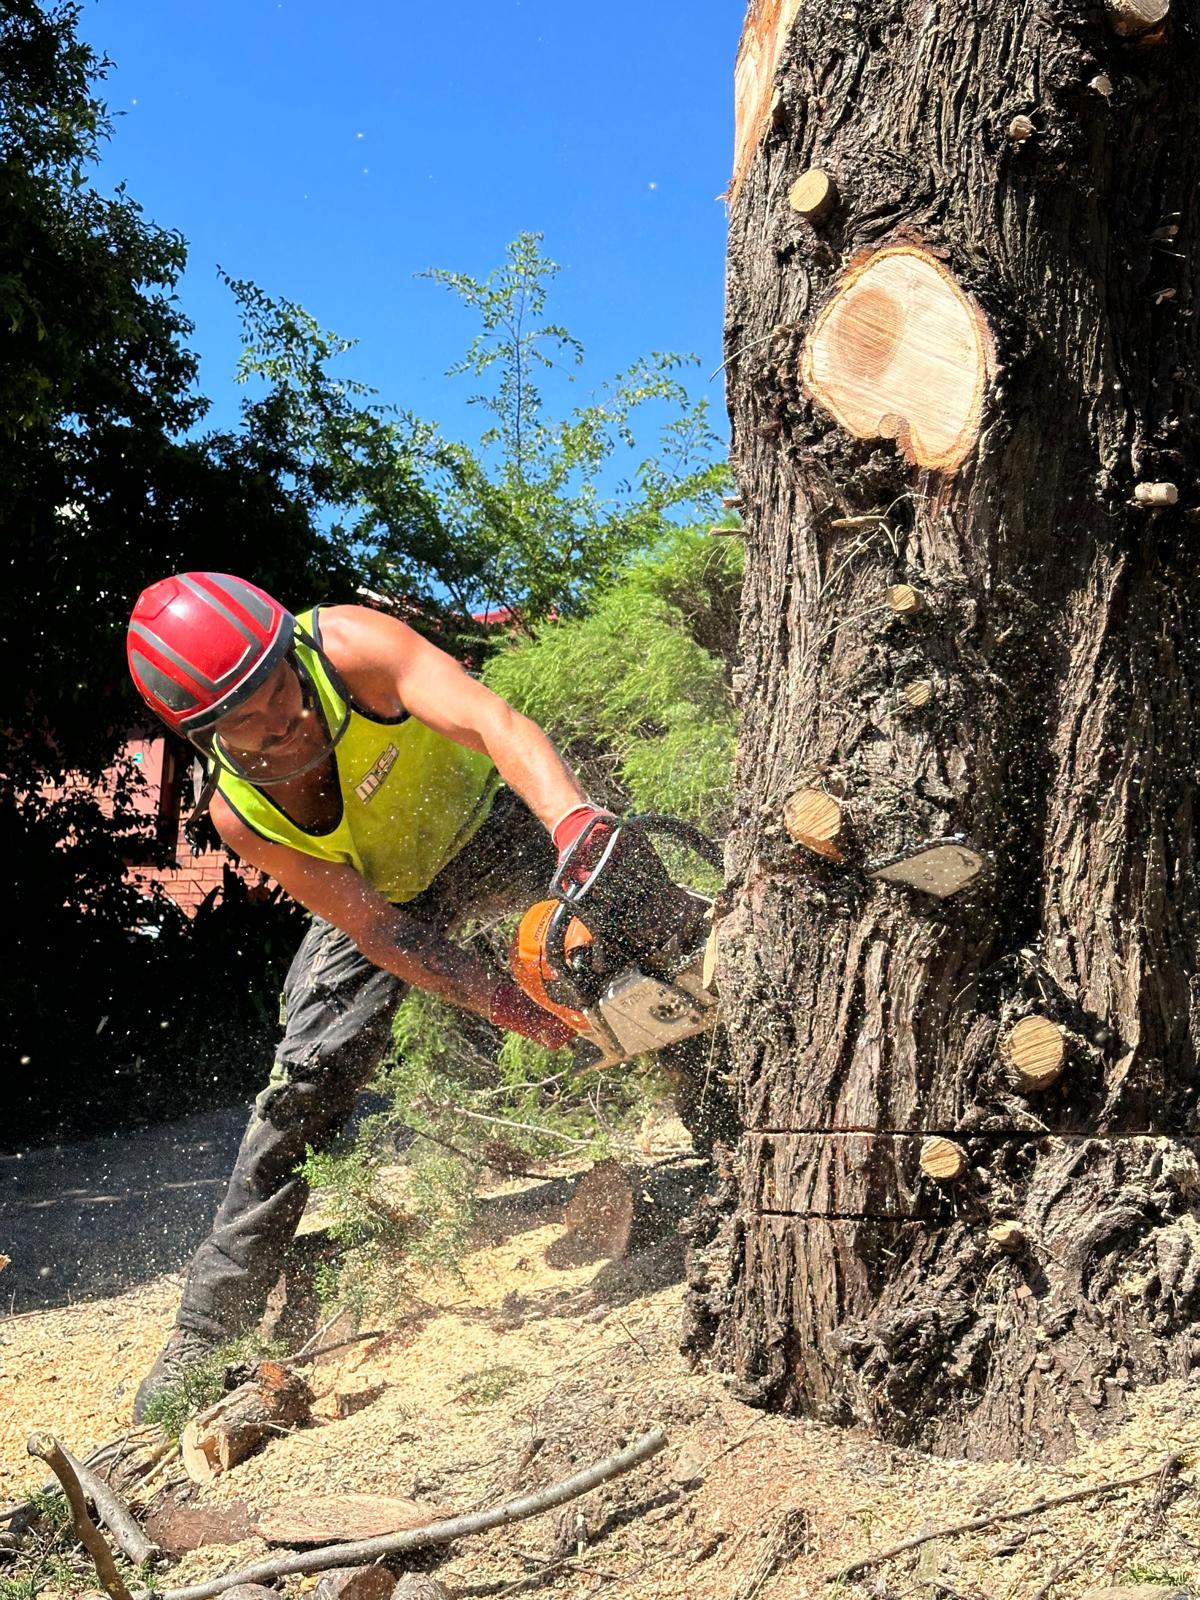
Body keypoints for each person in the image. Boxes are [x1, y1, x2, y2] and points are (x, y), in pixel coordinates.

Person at [125, 571, 644, 1419]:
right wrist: (499, 1000)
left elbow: (494, 721)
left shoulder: (356, 648)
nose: (281, 722)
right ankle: (207, 1332)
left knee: (635, 917)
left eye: (279, 690)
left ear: (292, 652)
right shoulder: (239, 815)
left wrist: (574, 827)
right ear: (201, 733)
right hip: (389, 899)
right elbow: (379, 933)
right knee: (308, 1082)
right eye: (245, 722)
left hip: (489, 824)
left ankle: (740, 1136)